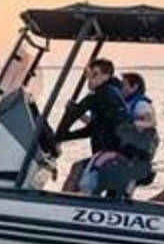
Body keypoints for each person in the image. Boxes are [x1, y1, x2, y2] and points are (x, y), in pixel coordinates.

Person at [56, 58, 131, 192]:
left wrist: (57, 138)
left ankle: (63, 202)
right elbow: (92, 129)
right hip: (117, 156)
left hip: (110, 156)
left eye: (95, 75)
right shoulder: (111, 93)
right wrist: (65, 137)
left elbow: (73, 115)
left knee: (79, 171)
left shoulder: (101, 95)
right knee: (84, 174)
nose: (90, 79)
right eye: (88, 75)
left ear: (107, 76)